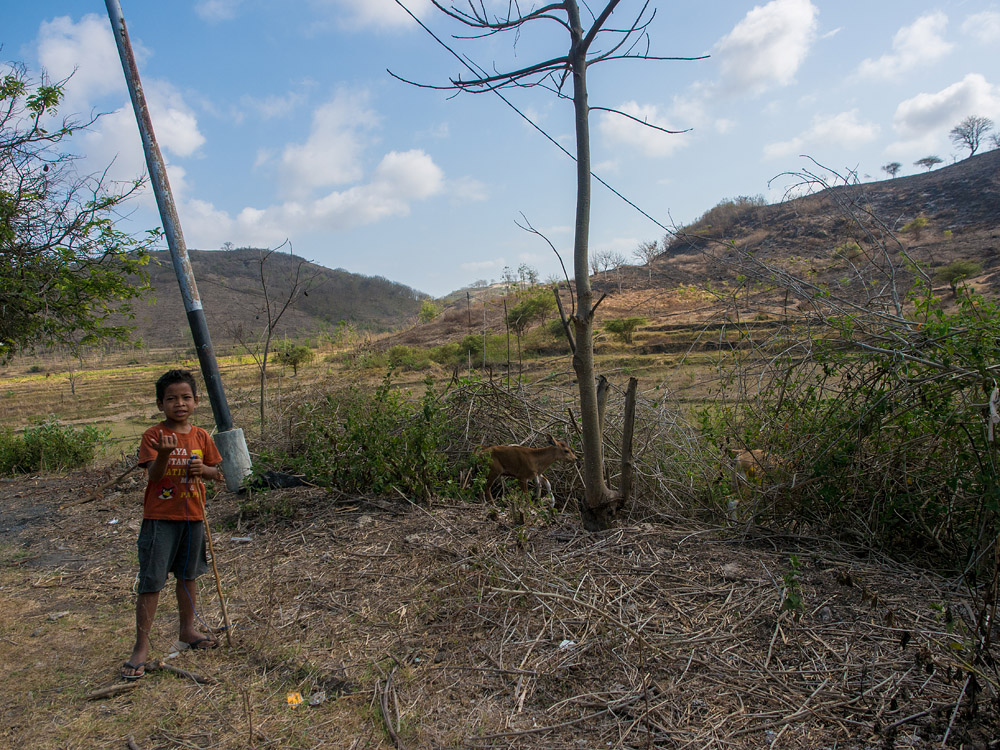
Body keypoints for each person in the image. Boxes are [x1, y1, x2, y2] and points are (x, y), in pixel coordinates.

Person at [122, 369, 223, 680]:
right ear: (160, 403)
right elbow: (154, 475)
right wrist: (164, 454)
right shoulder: (154, 436)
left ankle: (188, 630)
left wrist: (204, 469)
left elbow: (217, 473)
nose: (179, 403)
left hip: (193, 516)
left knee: (188, 575)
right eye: (171, 399)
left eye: (185, 397)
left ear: (195, 401)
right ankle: (141, 647)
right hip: (160, 519)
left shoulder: (202, 436)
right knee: (152, 579)